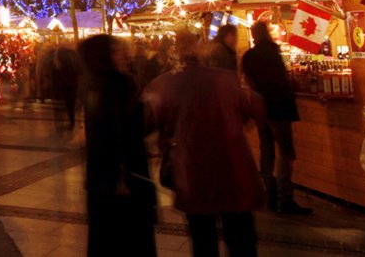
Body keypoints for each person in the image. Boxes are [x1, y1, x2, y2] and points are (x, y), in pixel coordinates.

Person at [145, 31, 265, 257]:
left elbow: (145, 121)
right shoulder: (227, 80)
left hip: (192, 172)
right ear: (200, 48)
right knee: (241, 241)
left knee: (203, 241)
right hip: (233, 168)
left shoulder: (162, 85)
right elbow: (258, 107)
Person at [78, 34, 156, 256]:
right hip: (123, 179)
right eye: (115, 51)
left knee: (105, 240)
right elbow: (125, 130)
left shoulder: (93, 86)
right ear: (103, 57)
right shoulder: (116, 87)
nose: (123, 56)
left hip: (103, 180)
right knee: (131, 241)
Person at [242, 21, 312, 215]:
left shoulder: (249, 56)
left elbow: (249, 82)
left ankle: (270, 194)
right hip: (279, 108)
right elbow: (282, 80)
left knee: (267, 152)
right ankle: (285, 198)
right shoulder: (273, 53)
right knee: (286, 153)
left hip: (261, 110)